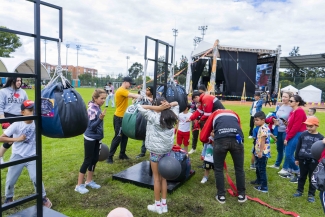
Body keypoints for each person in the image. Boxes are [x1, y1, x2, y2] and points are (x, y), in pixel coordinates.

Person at [0, 100, 52, 208]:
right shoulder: (17, 124)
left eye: (34, 110)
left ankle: (42, 197)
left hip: (32, 155)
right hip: (17, 155)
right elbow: (1, 138)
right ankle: (9, 198)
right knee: (10, 179)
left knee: (36, 177)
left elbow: (50, 113)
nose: (33, 112)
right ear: (22, 112)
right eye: (30, 110)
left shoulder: (37, 122)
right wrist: (17, 139)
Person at [137, 97, 179, 214]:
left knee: (156, 179)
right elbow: (176, 103)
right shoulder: (173, 114)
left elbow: (139, 107)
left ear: (157, 106)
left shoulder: (153, 116)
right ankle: (164, 205)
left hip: (155, 152)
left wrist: (155, 108)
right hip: (166, 151)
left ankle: (157, 205)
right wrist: (167, 105)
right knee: (163, 178)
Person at [200, 109, 246, 204]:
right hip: (237, 140)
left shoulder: (214, 114)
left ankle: (221, 196)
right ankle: (241, 195)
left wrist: (209, 139)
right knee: (239, 169)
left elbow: (203, 136)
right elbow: (239, 129)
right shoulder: (234, 113)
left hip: (220, 141)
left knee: (218, 169)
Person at [75, 89, 107, 194]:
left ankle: (89, 181)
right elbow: (92, 127)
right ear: (95, 98)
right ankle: (78, 185)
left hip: (97, 138)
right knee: (88, 160)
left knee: (94, 159)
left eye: (104, 98)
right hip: (90, 138)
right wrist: (100, 119)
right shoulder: (92, 110)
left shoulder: (97, 107)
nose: (103, 100)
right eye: (101, 98)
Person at [107, 77, 140, 164]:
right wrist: (142, 96)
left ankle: (122, 154)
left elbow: (131, 97)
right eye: (130, 83)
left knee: (125, 136)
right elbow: (132, 95)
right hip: (119, 117)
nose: (130, 85)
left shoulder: (124, 91)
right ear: (125, 82)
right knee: (118, 137)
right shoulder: (121, 90)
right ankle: (109, 157)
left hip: (124, 117)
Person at [293, 116, 324, 203]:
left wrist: (320, 161)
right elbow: (298, 147)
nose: (309, 128)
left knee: (312, 178)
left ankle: (311, 194)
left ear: (316, 125)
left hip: (314, 161)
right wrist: (297, 158)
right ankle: (299, 191)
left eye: (311, 126)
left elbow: (322, 151)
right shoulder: (303, 135)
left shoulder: (321, 138)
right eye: (307, 126)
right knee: (301, 176)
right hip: (303, 160)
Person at [279, 95, 307, 183]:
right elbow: (291, 125)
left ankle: (298, 173)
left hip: (297, 134)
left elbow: (296, 127)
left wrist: (287, 138)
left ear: (297, 102)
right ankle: (292, 172)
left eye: (291, 101)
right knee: (289, 153)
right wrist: (287, 125)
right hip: (292, 133)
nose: (289, 102)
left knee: (288, 154)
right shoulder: (293, 111)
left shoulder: (299, 111)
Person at [0, 77, 28, 162]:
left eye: (20, 81)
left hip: (20, 117)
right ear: (12, 81)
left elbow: (27, 105)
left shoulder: (23, 92)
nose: (20, 82)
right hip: (7, 116)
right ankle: (0, 155)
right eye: (17, 81)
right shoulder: (3, 91)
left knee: (22, 138)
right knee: (9, 139)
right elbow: (0, 106)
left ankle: (17, 156)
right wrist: (3, 120)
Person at [267, 92, 293, 170]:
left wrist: (287, 124)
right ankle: (277, 164)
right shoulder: (280, 106)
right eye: (283, 96)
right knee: (279, 148)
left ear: (290, 98)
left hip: (286, 131)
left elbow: (292, 121)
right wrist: (275, 120)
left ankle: (286, 167)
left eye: (286, 97)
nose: (284, 98)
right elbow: (277, 115)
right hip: (278, 130)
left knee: (286, 150)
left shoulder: (291, 108)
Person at [250, 111, 271, 193]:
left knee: (262, 169)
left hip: (262, 153)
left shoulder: (263, 128)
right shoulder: (260, 127)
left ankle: (264, 187)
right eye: (254, 120)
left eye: (257, 120)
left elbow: (263, 141)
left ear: (263, 120)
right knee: (258, 167)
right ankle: (258, 180)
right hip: (258, 152)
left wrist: (260, 152)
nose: (255, 122)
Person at [136, 86, 154, 158]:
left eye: (148, 90)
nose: (146, 91)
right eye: (146, 90)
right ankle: (143, 152)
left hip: (152, 119)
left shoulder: (154, 99)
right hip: (144, 119)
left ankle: (153, 151)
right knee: (145, 135)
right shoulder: (144, 99)